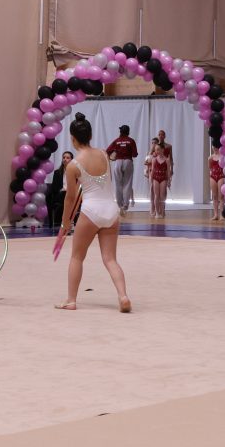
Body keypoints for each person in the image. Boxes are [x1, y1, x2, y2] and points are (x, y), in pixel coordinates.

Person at [53, 113, 131, 312]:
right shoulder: (104, 154)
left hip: (90, 211)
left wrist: (65, 223)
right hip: (111, 210)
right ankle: (123, 296)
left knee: (77, 257)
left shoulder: (73, 165)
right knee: (110, 259)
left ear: (72, 138)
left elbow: (70, 198)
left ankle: (71, 300)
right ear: (90, 135)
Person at [106, 124, 138, 212]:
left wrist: (113, 156)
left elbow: (107, 151)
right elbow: (135, 154)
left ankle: (119, 204)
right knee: (127, 183)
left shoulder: (117, 141)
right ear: (128, 132)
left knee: (118, 184)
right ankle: (125, 205)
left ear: (120, 131)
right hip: (128, 161)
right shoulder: (131, 141)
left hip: (118, 161)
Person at [46, 151, 74, 230]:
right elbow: (54, 187)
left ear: (72, 160)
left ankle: (68, 222)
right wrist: (63, 190)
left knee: (68, 196)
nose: (65, 159)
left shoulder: (75, 172)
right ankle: (67, 222)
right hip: (61, 195)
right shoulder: (57, 172)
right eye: (64, 157)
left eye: (67, 158)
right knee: (63, 194)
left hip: (72, 195)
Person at [147, 140, 171, 218]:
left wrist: (169, 181)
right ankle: (157, 212)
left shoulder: (167, 160)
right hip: (156, 178)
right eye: (155, 150)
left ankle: (162, 211)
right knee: (156, 196)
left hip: (163, 178)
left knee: (162, 196)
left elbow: (168, 171)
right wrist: (151, 179)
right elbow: (152, 170)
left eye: (158, 149)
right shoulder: (154, 159)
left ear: (162, 150)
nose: (156, 151)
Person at [208, 143, 225, 220]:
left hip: (221, 176)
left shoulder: (223, 157)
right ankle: (215, 214)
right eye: (214, 147)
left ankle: (222, 214)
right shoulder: (210, 158)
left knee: (221, 196)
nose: (215, 148)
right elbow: (210, 168)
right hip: (213, 176)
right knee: (214, 196)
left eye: (216, 147)